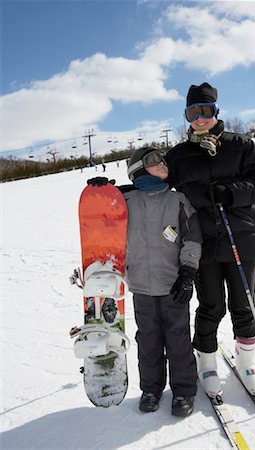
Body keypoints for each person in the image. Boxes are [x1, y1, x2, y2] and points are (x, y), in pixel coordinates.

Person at [166, 82, 255, 400]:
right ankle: (208, 363)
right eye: (193, 112)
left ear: (216, 111)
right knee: (211, 305)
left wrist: (231, 193)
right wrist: (131, 189)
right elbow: (159, 184)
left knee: (244, 305)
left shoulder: (241, 145)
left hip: (241, 238)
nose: (200, 118)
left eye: (206, 110)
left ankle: (248, 364)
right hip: (203, 242)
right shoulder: (178, 155)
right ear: (187, 116)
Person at [88, 147, 203, 417]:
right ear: (137, 169)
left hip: (173, 284)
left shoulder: (177, 201)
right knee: (148, 340)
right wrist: (100, 193)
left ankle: (184, 390)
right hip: (140, 286)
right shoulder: (125, 202)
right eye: (153, 161)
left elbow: (192, 238)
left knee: (178, 339)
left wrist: (187, 272)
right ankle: (151, 388)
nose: (162, 163)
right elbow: (100, 220)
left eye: (162, 159)